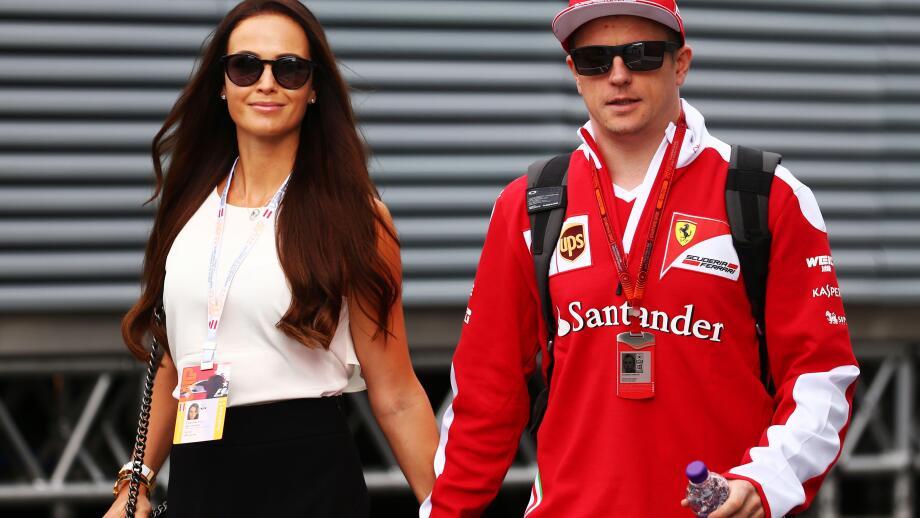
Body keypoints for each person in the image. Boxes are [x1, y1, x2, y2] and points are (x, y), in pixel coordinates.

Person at [420, 1, 859, 517]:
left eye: (642, 54)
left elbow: (821, 379)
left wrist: (764, 482)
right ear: (574, 73)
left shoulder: (766, 194)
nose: (618, 75)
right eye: (595, 60)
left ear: (681, 63)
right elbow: (485, 397)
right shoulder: (529, 204)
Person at [104, 1, 438, 517]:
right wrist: (135, 483)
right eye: (246, 66)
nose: (266, 83)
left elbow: (396, 393)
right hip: (200, 480)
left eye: (289, 69)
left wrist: (450, 508)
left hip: (310, 481)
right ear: (222, 84)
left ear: (313, 88)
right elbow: (173, 359)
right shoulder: (189, 208)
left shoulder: (356, 218)